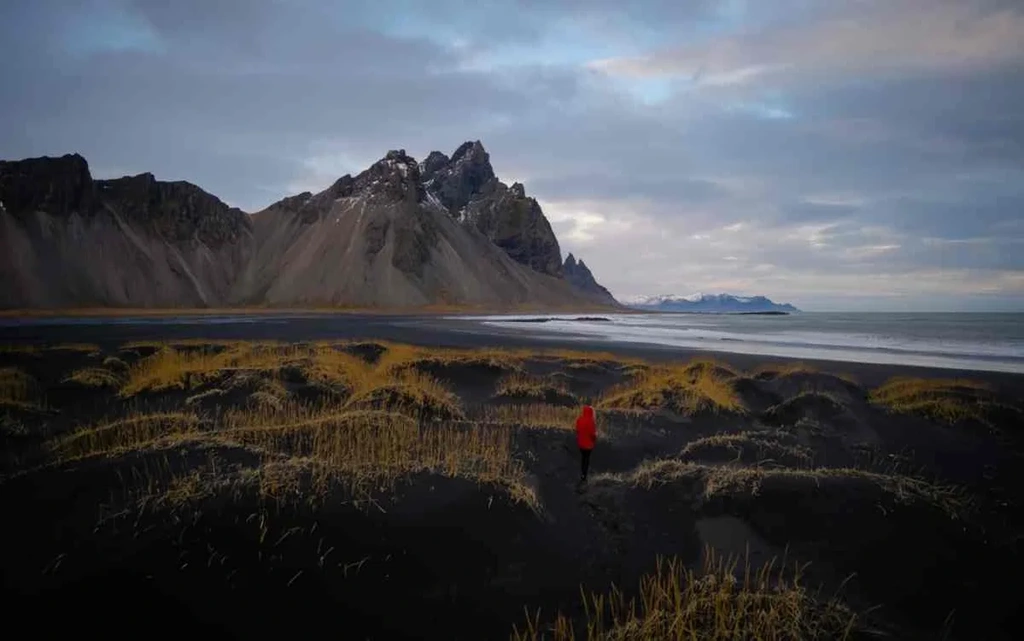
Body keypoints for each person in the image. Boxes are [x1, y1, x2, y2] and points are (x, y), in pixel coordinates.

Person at [575, 404, 597, 484]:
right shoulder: (591, 422)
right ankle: (584, 475)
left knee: (583, 458)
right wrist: (594, 440)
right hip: (588, 445)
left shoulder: (579, 420)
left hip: (581, 444)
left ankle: (582, 474)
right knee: (587, 459)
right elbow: (593, 434)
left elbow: (577, 430)